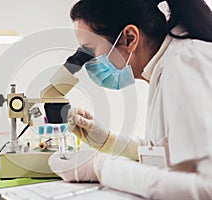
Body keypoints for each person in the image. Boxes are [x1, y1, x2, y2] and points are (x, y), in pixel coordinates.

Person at [48, 0, 212, 199]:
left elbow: (206, 187)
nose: (87, 64)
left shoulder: (185, 63)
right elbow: (170, 153)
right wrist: (109, 141)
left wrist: (100, 168)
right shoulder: (165, 68)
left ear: (129, 38)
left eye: (89, 51)